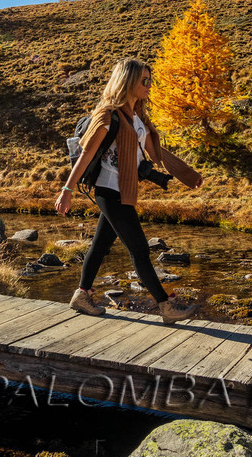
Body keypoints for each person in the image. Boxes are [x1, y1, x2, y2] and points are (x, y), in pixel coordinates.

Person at [56, 57, 202, 322]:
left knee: (100, 246)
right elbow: (87, 155)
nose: (149, 85)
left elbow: (156, 153)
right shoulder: (108, 116)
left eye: (150, 80)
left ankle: (81, 295)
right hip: (109, 192)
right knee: (140, 250)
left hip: (124, 192)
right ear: (129, 82)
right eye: (144, 81)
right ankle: (165, 306)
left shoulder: (138, 118)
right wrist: (67, 190)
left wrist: (187, 175)